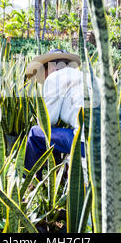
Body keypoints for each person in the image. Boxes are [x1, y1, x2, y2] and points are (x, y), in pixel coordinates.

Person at [24, 49, 96, 180]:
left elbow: (46, 122)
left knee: (36, 134)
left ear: (51, 66)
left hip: (86, 145)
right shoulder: (88, 76)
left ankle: (28, 180)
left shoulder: (55, 78)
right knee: (59, 133)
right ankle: (58, 174)